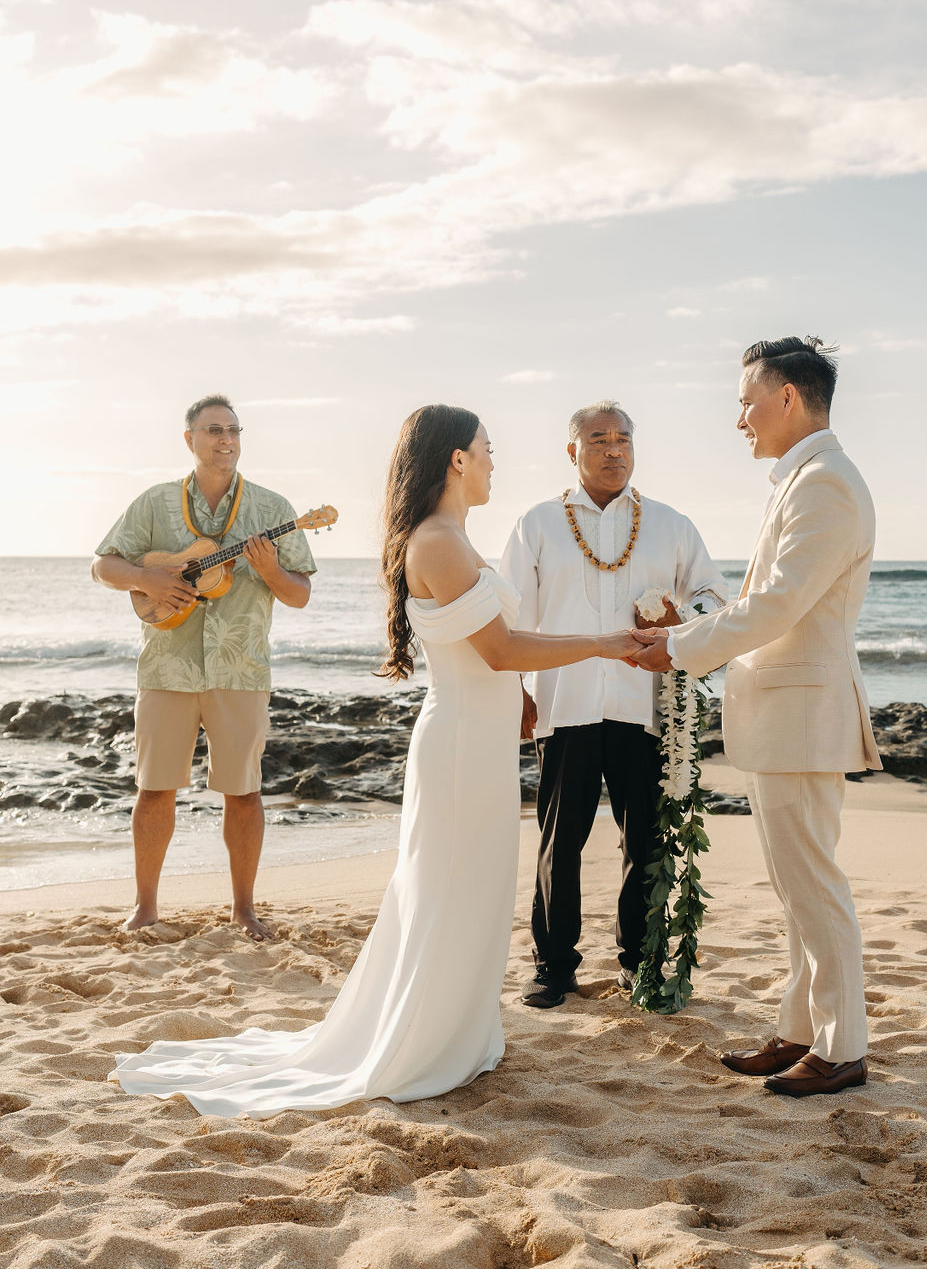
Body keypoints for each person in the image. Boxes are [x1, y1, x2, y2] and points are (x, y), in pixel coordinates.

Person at [111, 404, 638, 1117]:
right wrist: (604, 643)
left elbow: (490, 646)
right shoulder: (440, 542)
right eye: (485, 450)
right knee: (450, 888)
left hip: (477, 735)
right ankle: (428, 1039)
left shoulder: (453, 536)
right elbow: (501, 647)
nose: (492, 462)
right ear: (456, 459)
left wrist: (515, 698)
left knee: (471, 887)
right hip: (457, 746)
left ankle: (456, 1028)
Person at [631, 338, 880, 1098]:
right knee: (796, 886)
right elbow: (759, 602)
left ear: (787, 399)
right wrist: (689, 630)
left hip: (802, 713)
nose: (739, 418)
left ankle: (842, 1047)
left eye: (746, 401)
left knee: (814, 885)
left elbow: (778, 607)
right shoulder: (803, 480)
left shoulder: (826, 484)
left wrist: (678, 649)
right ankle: (803, 1029)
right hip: (785, 713)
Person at [500, 401, 727, 1010]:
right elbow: (509, 614)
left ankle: (641, 961)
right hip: (564, 701)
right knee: (559, 839)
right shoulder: (538, 523)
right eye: (597, 439)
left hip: (644, 705)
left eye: (622, 438)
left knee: (645, 840)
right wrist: (516, 688)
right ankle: (553, 966)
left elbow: (714, 597)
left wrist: (684, 623)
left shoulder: (670, 524)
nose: (613, 449)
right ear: (571, 451)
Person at [92, 394, 315, 941]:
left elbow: (301, 593)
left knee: (244, 791)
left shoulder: (271, 508)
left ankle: (244, 909)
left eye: (235, 430)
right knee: (154, 789)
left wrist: (268, 569)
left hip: (241, 669)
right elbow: (103, 564)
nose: (227, 439)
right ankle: (145, 907)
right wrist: (148, 580)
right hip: (166, 667)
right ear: (188, 438)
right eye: (214, 429)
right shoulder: (154, 504)